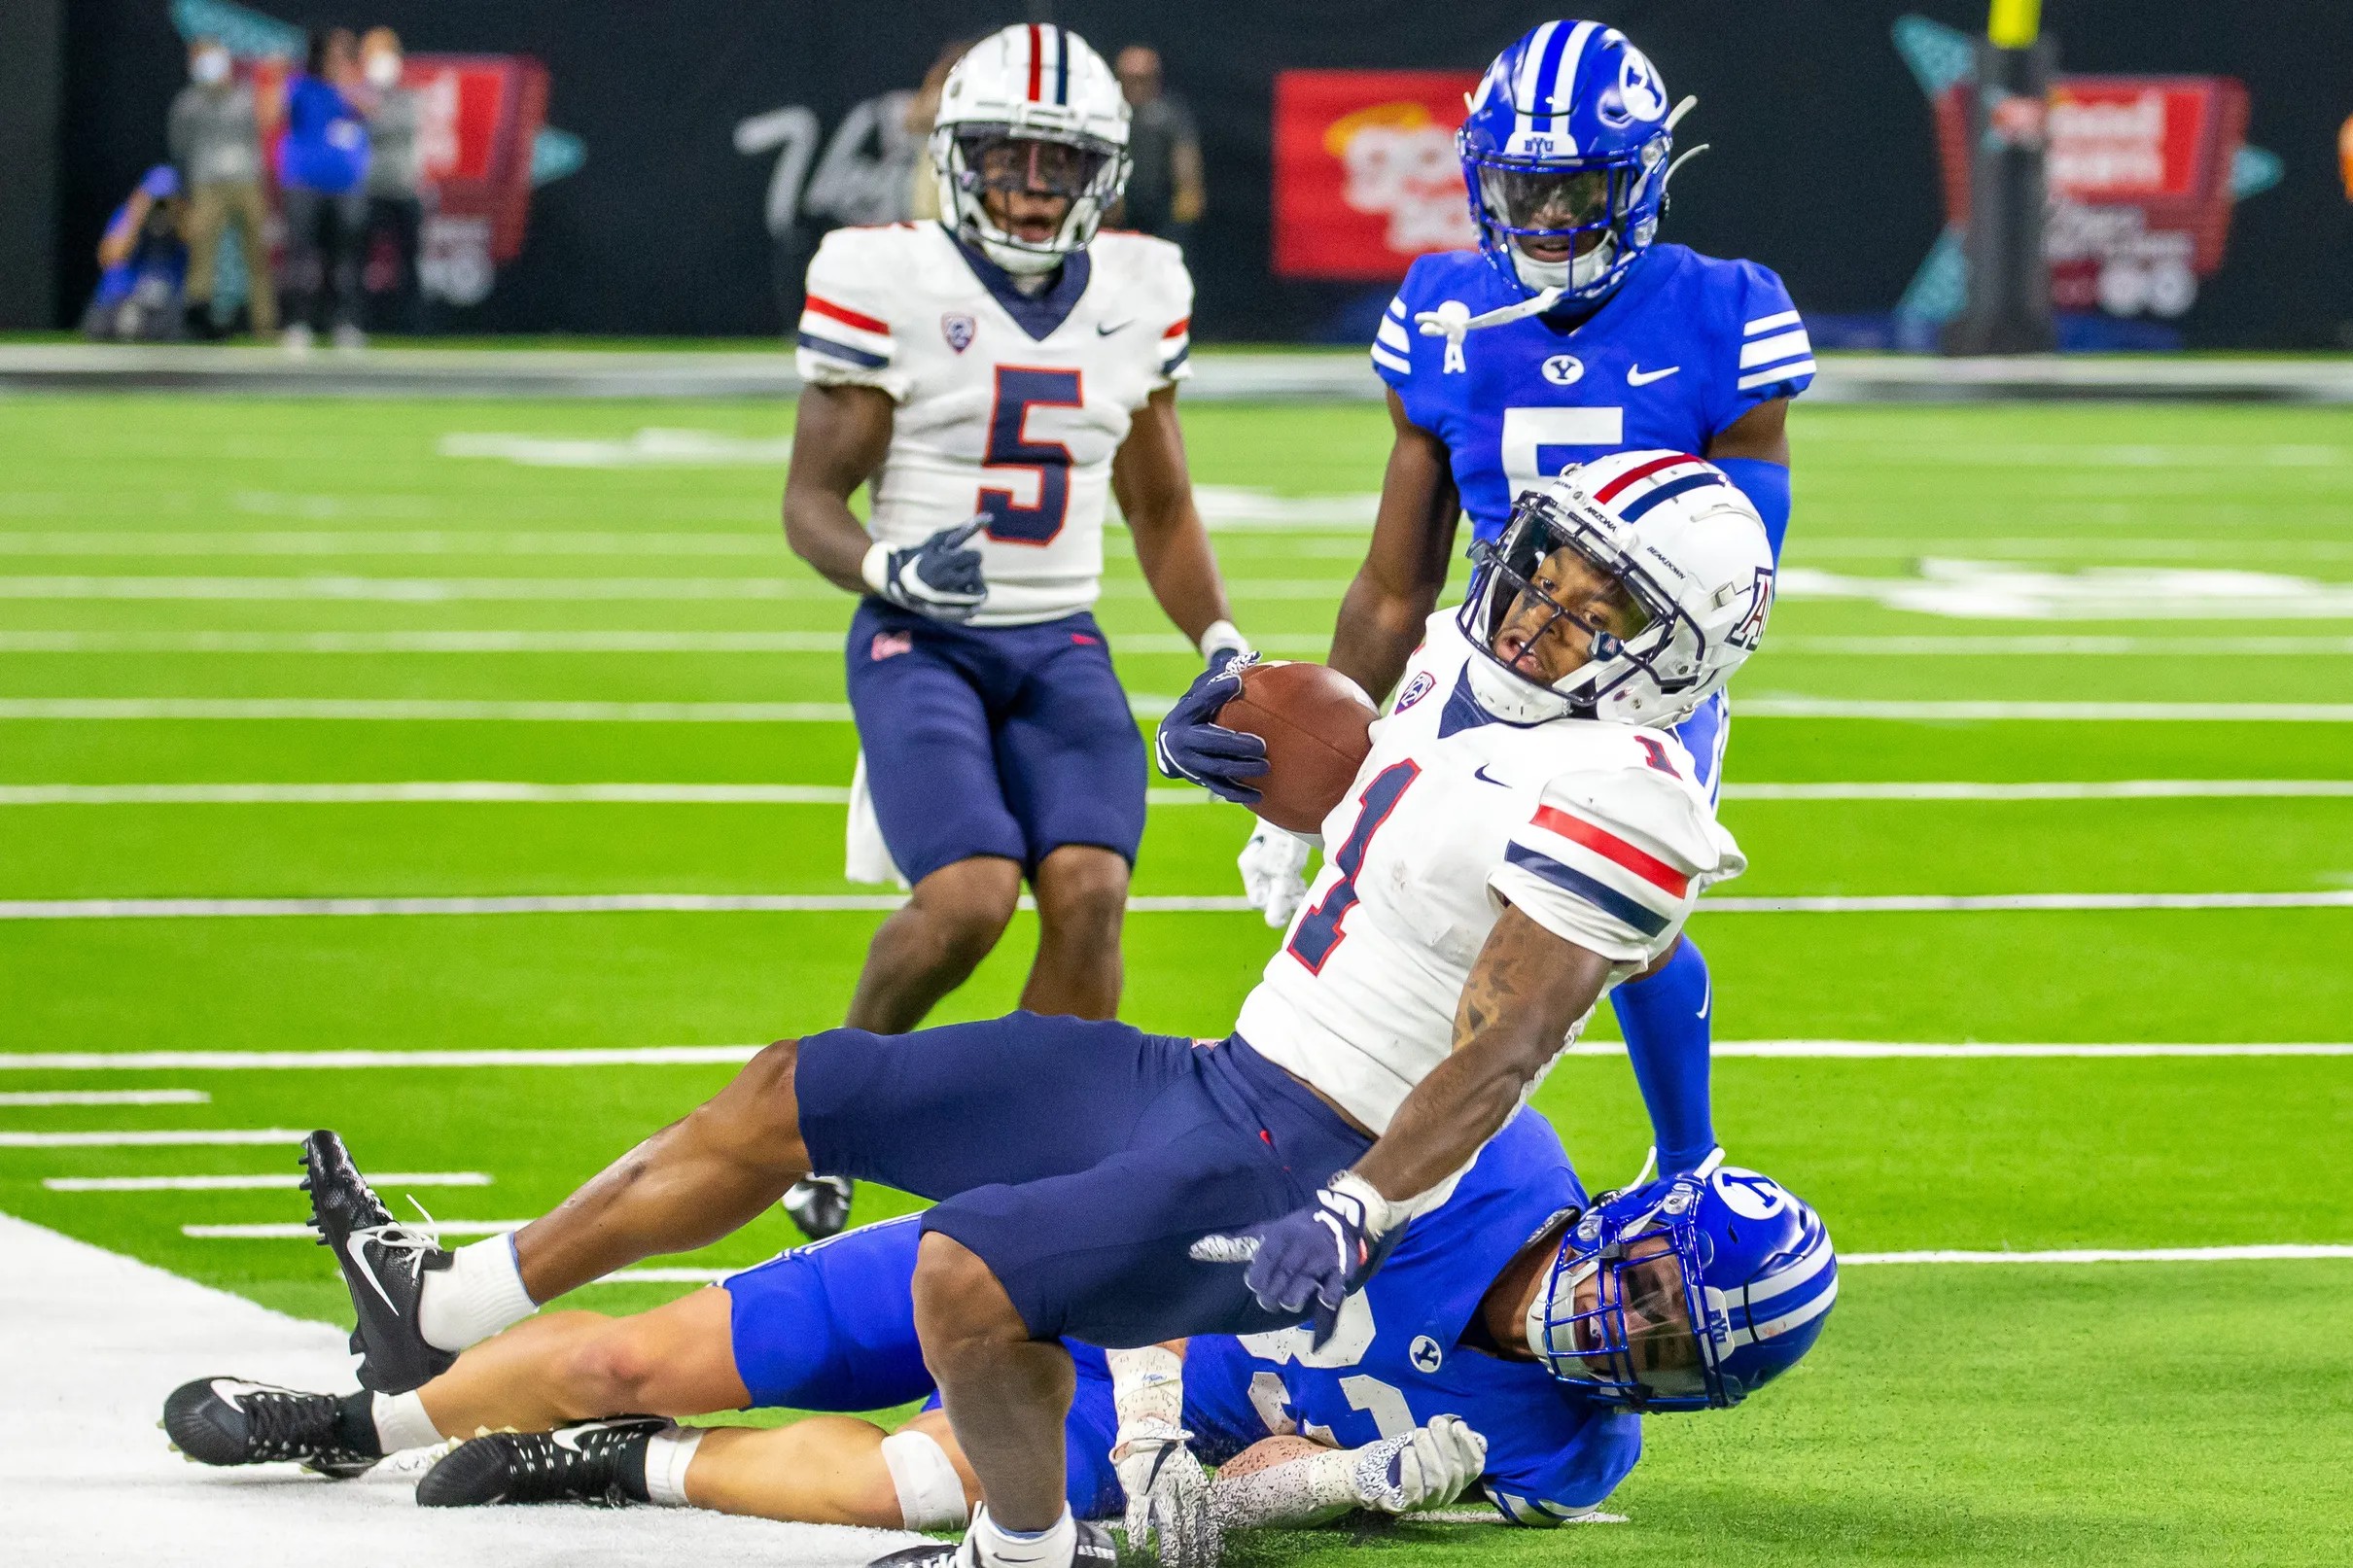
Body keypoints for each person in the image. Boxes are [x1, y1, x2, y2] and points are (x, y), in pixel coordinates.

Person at [300, 449, 1812, 1568]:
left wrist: (1347, 1224)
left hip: (1285, 1157)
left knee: (962, 1298)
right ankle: (438, 1308)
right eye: (1549, 561)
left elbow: (1511, 1040)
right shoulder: (1464, 675)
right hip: (1208, 1078)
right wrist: (1279, 765)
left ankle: (1005, 1557)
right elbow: (1395, 843)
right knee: (794, 1092)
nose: (1547, 605)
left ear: (1678, 654)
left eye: (1599, 598)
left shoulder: (1632, 797)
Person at [173, 1109, 1803, 1550]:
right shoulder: (1486, 1157)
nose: (1634, 1333)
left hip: (1148, 1423)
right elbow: (1210, 1165)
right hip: (1085, 1269)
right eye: (1657, 1291)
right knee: (641, 1338)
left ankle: (624, 1466)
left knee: (925, 1484)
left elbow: (1269, 1503)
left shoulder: (1568, 1450)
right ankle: (359, 1420)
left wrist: (1302, 1497)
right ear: (1638, 1228)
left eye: (1672, 1352)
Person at [1229, 20, 1814, 1195]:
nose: (1545, 219)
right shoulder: (1442, 311)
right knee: (1386, 883)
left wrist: (1654, 708)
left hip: (1639, 673)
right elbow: (1395, 581)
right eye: (1521, 188)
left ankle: (1684, 1156)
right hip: (1482, 652)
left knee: (1620, 928)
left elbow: (1741, 572)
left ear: (1641, 179)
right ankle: (1325, 1140)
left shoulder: (1722, 312)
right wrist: (1301, 797)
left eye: (1575, 190)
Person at [772, 23, 1246, 1241]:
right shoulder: (888, 276)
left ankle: (1044, 1166)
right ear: (954, 157)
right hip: (918, 638)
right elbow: (808, 502)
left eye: (1057, 163)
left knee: (1089, 890)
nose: (1031, 188)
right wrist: (887, 567)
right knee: (971, 898)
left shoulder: (1140, 292)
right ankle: (824, 1115)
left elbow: (1161, 503)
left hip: (1056, 637)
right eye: (1005, 158)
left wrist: (1220, 643)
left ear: (1102, 174)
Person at [168, 36, 277, 339]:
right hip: (207, 185)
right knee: (201, 254)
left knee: (257, 254)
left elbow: (262, 132)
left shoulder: (244, 97)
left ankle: (264, 325)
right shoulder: (188, 103)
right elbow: (179, 146)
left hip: (246, 183)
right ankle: (197, 318)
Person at [276, 27, 371, 351]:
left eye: (345, 53)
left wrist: (347, 87)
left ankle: (345, 324)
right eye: (333, 53)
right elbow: (271, 116)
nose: (337, 60)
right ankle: (298, 325)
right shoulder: (301, 87)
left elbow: (373, 112)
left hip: (346, 188)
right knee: (300, 258)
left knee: (343, 261)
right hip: (304, 186)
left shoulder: (355, 91)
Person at [358, 27, 426, 335]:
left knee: (409, 263)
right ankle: (357, 324)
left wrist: (372, 113)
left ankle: (411, 326)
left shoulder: (409, 96)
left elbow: (395, 126)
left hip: (404, 189)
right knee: (357, 261)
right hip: (368, 190)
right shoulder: (357, 97)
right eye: (375, 53)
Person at [81, 165, 189, 341]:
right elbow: (109, 258)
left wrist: (176, 216)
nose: (160, 207)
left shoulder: (184, 221)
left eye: (166, 199)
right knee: (111, 321)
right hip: (123, 300)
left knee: (179, 325)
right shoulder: (127, 215)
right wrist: (137, 215)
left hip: (165, 306)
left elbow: (199, 253)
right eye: (156, 199)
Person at [1111, 48, 1204, 249]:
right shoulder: (1105, 113)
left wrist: (1181, 217)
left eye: (1142, 79)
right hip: (1114, 216)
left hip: (1161, 217)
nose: (1135, 86)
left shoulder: (1170, 115)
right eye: (1128, 78)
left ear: (1155, 79)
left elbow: (1187, 174)